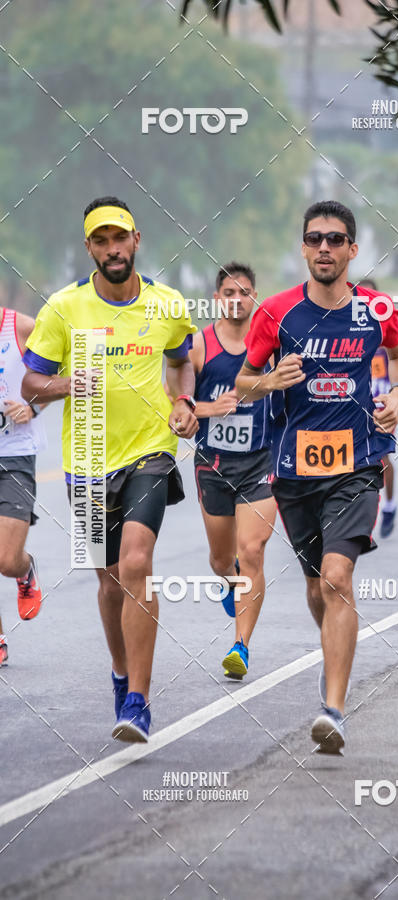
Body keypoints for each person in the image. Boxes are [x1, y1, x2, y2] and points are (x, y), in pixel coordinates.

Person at [235, 200, 398, 753]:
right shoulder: (276, 314)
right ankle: (332, 654)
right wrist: (271, 381)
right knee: (317, 586)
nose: (325, 249)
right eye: (315, 239)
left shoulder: (375, 308)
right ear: (304, 248)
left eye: (336, 240)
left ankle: (333, 708)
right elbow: (242, 382)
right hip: (295, 471)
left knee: (338, 577)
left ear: (352, 250)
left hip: (358, 463)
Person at [22, 196, 198, 742]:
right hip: (89, 456)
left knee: (136, 563)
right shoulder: (63, 309)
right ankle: (121, 677)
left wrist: (184, 403)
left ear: (136, 240)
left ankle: (140, 702)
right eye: (100, 241)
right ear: (89, 248)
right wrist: (71, 384)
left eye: (119, 238)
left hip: (150, 450)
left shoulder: (167, 304)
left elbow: (181, 360)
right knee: (108, 581)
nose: (112, 249)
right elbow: (31, 384)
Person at [191, 262, 276, 679]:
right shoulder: (198, 346)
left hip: (261, 462)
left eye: (245, 291)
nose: (237, 299)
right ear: (217, 298)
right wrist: (210, 408)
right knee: (223, 558)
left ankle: (240, 647)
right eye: (229, 292)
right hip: (213, 464)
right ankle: (229, 580)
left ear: (254, 296)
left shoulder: (270, 342)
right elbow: (176, 408)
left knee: (252, 552)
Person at [0, 305, 46, 665]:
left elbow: (60, 362)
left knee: (5, 559)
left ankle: (24, 568)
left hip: (15, 454)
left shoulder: (21, 326)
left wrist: (33, 405)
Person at [360, 278, 396, 538]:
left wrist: (396, 395)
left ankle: (390, 506)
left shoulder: (385, 338)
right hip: (353, 409)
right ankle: (361, 515)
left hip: (381, 408)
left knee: (381, 459)